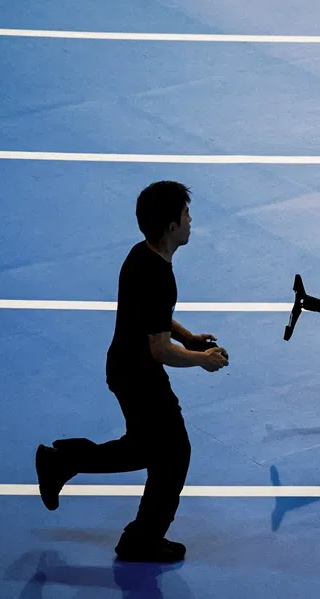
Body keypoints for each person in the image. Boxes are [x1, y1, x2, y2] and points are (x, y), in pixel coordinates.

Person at [35, 180, 229, 563]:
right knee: (173, 453)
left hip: (126, 367)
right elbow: (159, 350)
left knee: (147, 449)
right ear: (171, 226)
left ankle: (61, 462)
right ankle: (141, 538)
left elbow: (154, 318)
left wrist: (188, 337)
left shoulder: (141, 256)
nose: (191, 220)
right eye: (186, 214)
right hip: (138, 374)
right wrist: (202, 360)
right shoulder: (160, 275)